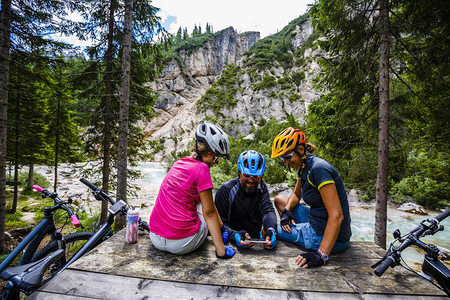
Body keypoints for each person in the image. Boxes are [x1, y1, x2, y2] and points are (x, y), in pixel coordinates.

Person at [149, 121, 235, 259]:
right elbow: (209, 212)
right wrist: (221, 252)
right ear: (206, 152)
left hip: (155, 237)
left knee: (201, 199)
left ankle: (221, 228)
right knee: (206, 202)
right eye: (216, 157)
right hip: (181, 243)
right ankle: (221, 238)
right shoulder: (202, 169)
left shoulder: (179, 163)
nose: (216, 162)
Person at [271, 127, 351, 267]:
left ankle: (304, 237)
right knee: (280, 201)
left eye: (287, 156)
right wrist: (287, 211)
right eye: (282, 157)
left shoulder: (318, 169)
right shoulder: (304, 167)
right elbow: (296, 194)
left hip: (330, 236)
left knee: (269, 230)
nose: (285, 161)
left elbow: (337, 216)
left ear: (301, 150)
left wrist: (321, 255)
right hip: (317, 219)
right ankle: (295, 228)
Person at [215, 150, 277, 250]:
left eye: (256, 176)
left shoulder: (261, 187)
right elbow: (218, 222)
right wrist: (234, 234)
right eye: (247, 176)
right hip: (233, 240)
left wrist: (271, 229)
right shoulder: (226, 190)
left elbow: (268, 210)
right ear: (239, 172)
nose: (251, 180)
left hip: (255, 240)